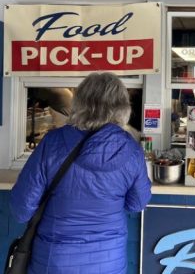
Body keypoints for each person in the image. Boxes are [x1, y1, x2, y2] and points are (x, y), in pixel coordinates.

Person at [10, 72, 152, 273]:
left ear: (79, 103)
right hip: (107, 262)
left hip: (54, 261)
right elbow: (137, 203)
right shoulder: (131, 149)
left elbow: (21, 209)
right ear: (122, 107)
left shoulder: (53, 143)